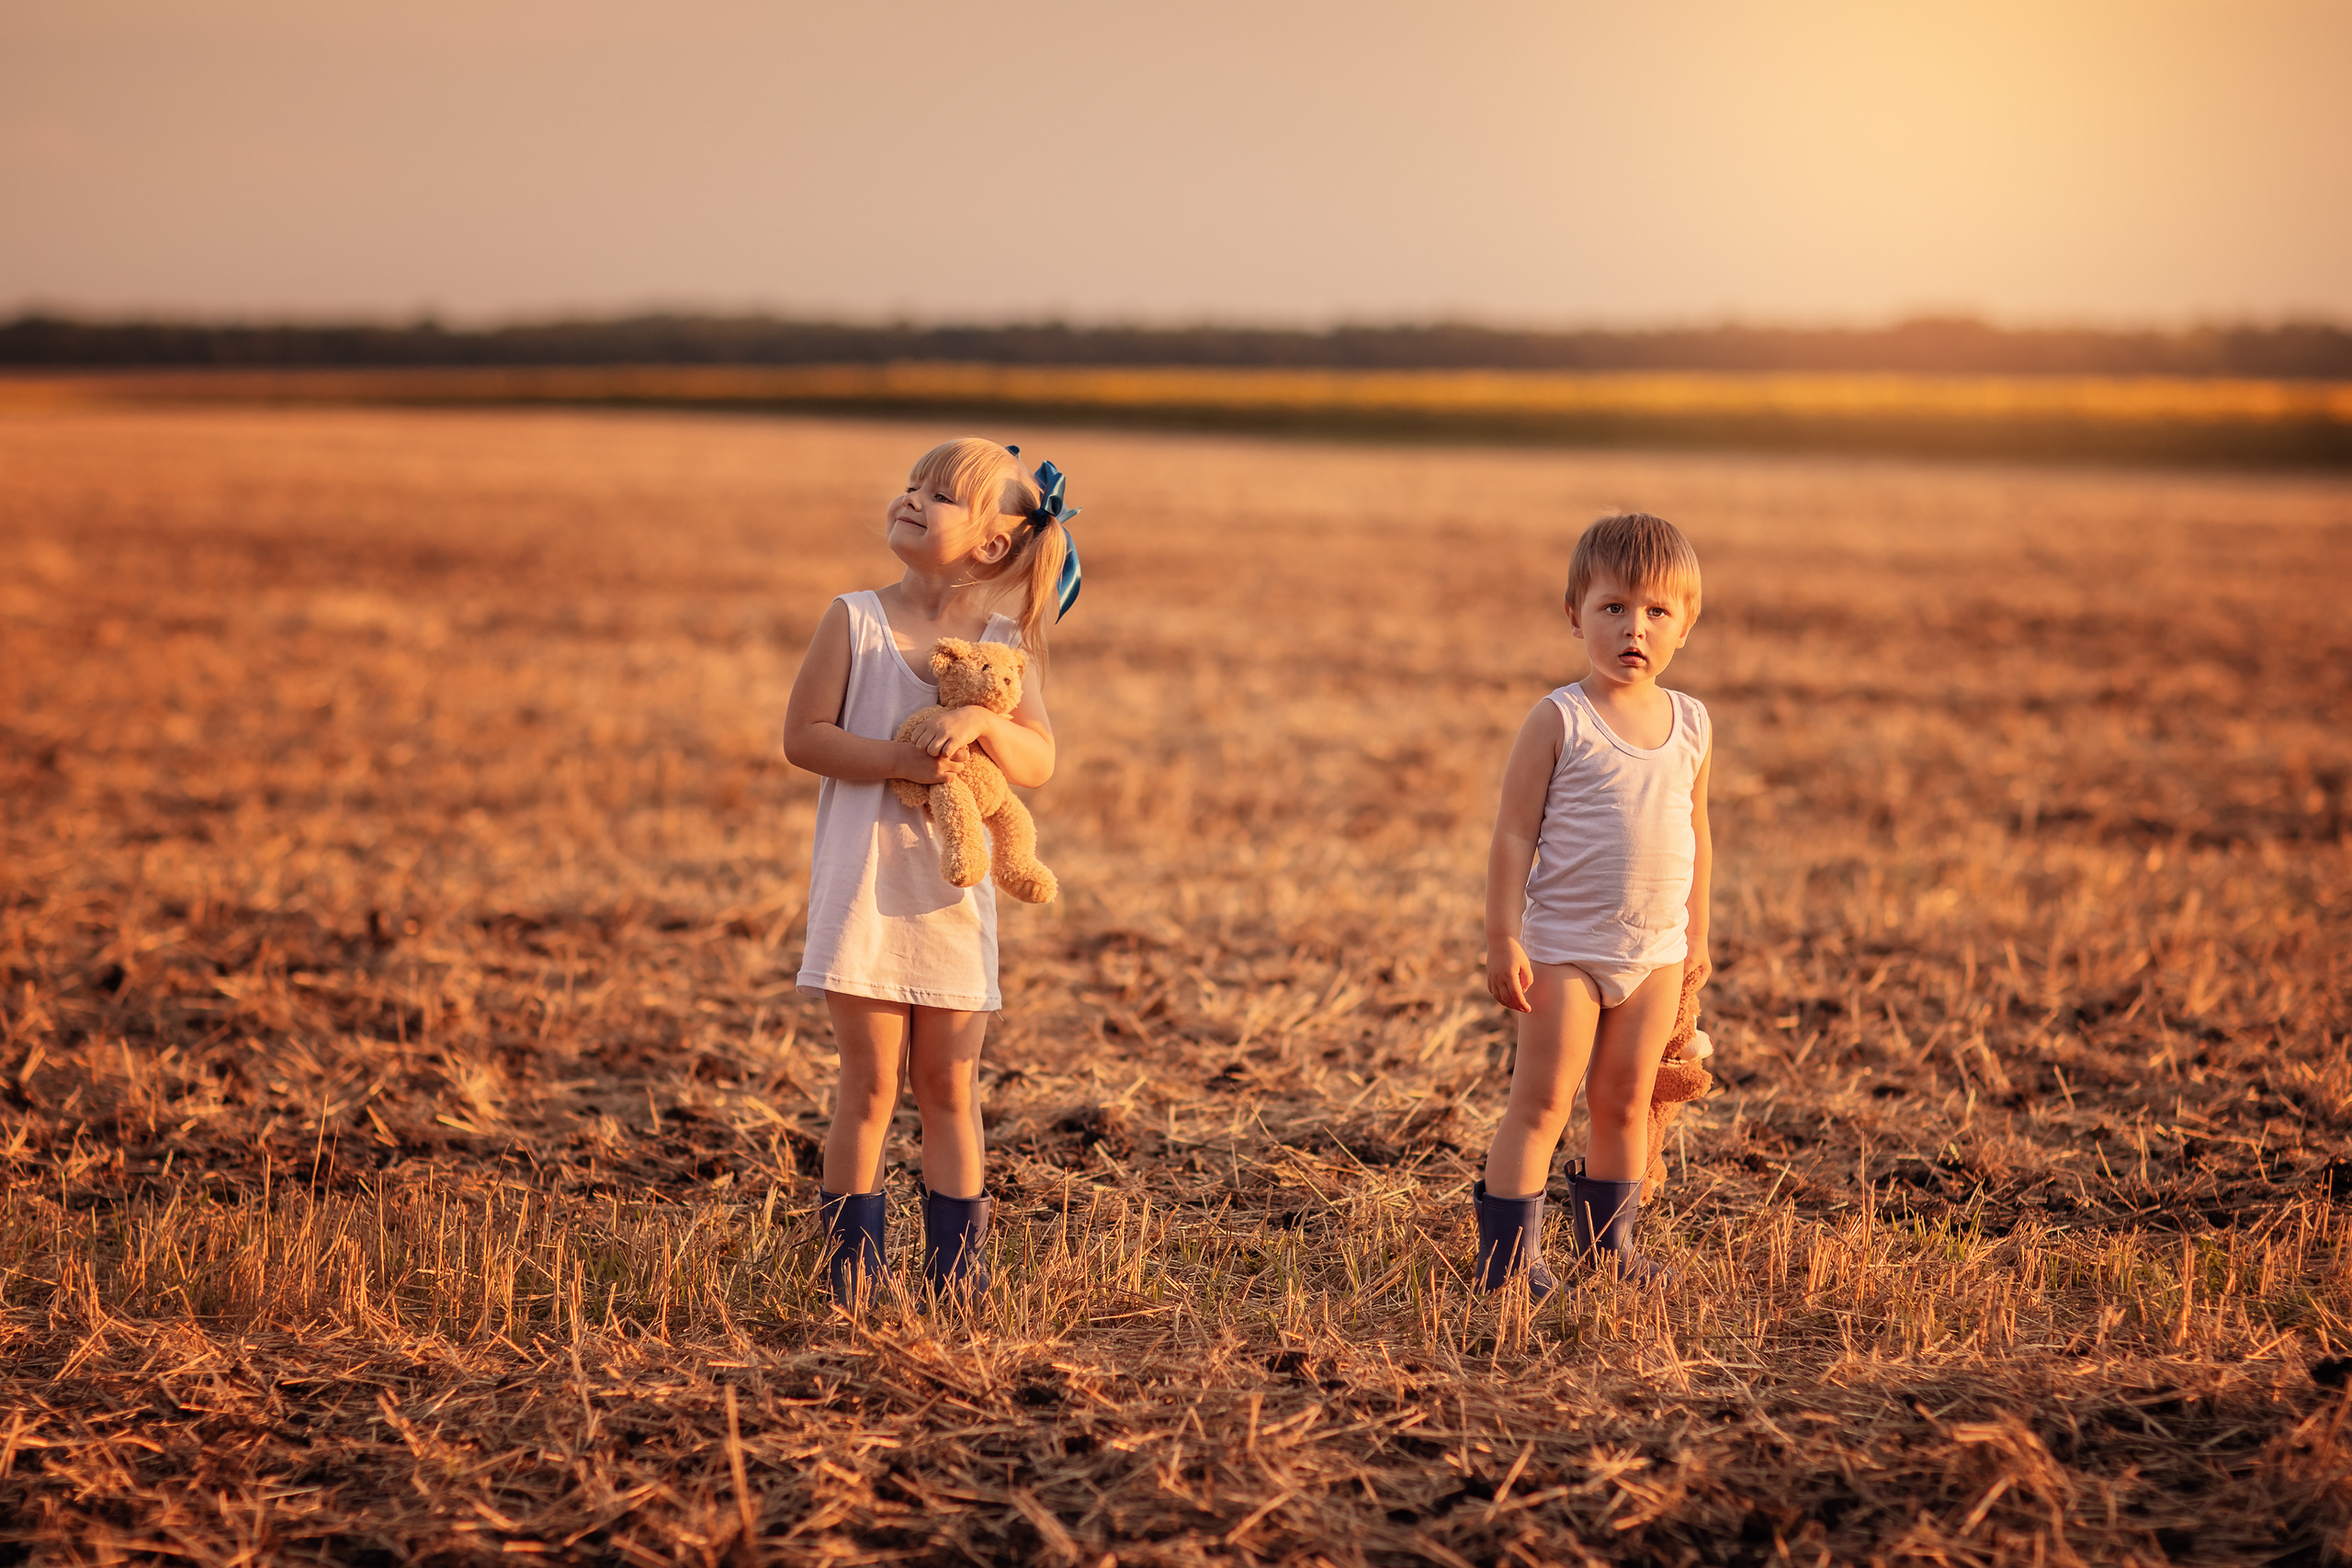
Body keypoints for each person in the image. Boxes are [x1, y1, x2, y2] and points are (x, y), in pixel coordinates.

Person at [781, 437, 1081, 1307]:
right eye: (912, 483)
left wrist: (981, 730)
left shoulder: (1001, 646)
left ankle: (959, 1279)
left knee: (950, 1085)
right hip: (863, 891)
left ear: (991, 544)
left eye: (941, 493)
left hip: (952, 900)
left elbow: (1039, 760)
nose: (911, 497)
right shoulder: (854, 619)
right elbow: (804, 737)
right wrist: (899, 762)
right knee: (869, 1087)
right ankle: (852, 1279)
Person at [1474, 513, 1713, 1295]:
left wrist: (1697, 939)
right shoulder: (1559, 721)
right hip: (1565, 951)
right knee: (1543, 1102)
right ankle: (1509, 1265)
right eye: (1612, 607)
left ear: (1685, 625)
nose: (1633, 627)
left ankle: (1611, 1251)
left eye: (1655, 611)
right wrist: (1503, 935)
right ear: (1574, 613)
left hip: (1656, 954)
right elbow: (1513, 837)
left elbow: (1697, 837)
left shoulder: (1692, 726)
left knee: (1625, 1103)